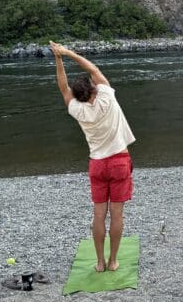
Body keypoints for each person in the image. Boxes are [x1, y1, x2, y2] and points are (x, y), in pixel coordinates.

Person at [50, 42, 135, 273]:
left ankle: (99, 262)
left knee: (99, 214)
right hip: (119, 161)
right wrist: (67, 52)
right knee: (117, 214)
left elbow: (62, 86)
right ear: (93, 89)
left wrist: (57, 59)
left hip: (97, 164)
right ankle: (113, 261)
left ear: (77, 97)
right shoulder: (107, 96)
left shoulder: (77, 109)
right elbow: (93, 70)